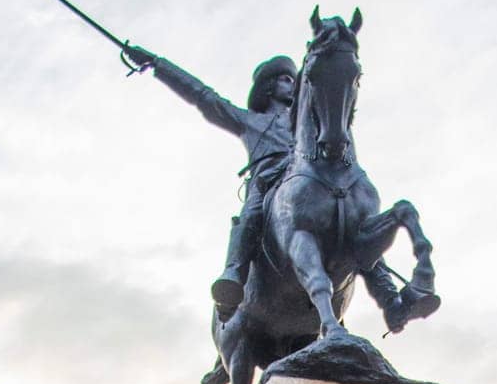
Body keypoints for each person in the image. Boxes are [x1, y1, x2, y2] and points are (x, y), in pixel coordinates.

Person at [125, 44, 410, 333]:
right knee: (251, 213)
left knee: (354, 222)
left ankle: (390, 299)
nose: (293, 84)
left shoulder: (309, 119)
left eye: (294, 80)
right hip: (270, 181)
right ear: (269, 87)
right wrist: (157, 65)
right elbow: (202, 95)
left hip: (313, 180)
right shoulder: (250, 121)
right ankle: (235, 273)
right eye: (286, 79)